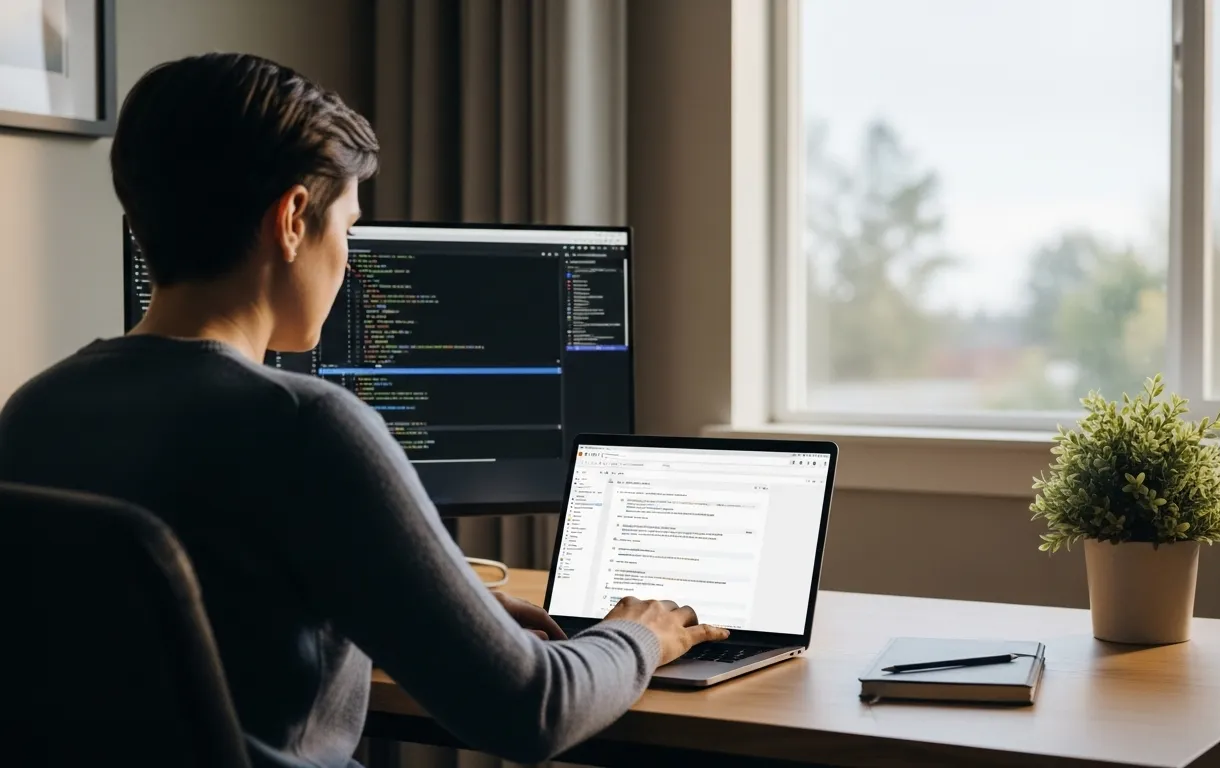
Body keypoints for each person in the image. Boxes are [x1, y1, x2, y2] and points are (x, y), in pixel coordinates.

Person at [0, 52, 727, 767]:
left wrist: (425, 600)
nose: (347, 257)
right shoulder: (304, 425)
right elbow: (532, 711)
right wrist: (638, 634)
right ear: (291, 219)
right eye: (348, 228)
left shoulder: (34, 409)